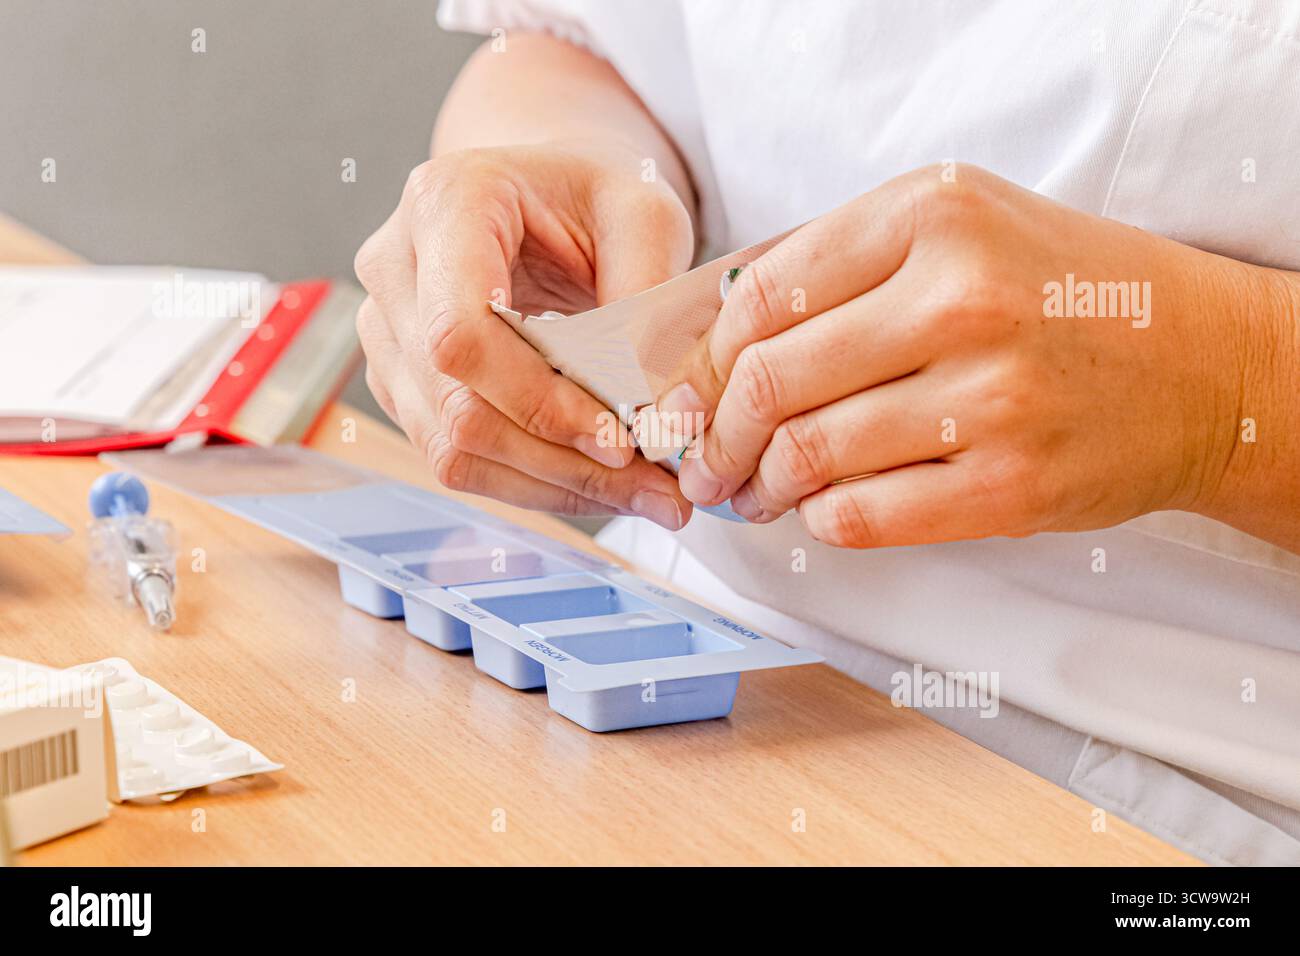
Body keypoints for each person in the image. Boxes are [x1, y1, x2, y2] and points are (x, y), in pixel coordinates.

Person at [354, 0, 1300, 864]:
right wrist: (560, 161)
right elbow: (579, 43)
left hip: (1173, 790)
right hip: (668, 642)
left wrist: (1229, 392)